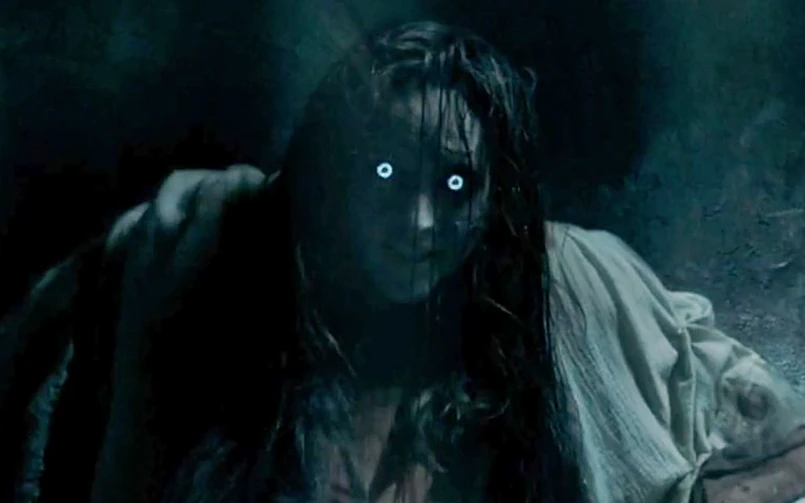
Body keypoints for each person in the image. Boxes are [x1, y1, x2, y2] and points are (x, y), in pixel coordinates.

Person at [1, 20, 804, 503]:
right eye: (386, 171)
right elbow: (35, 338)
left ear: (491, 198)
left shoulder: (569, 300)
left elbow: (786, 434)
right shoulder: (218, 264)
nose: (419, 220)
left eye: (454, 183)